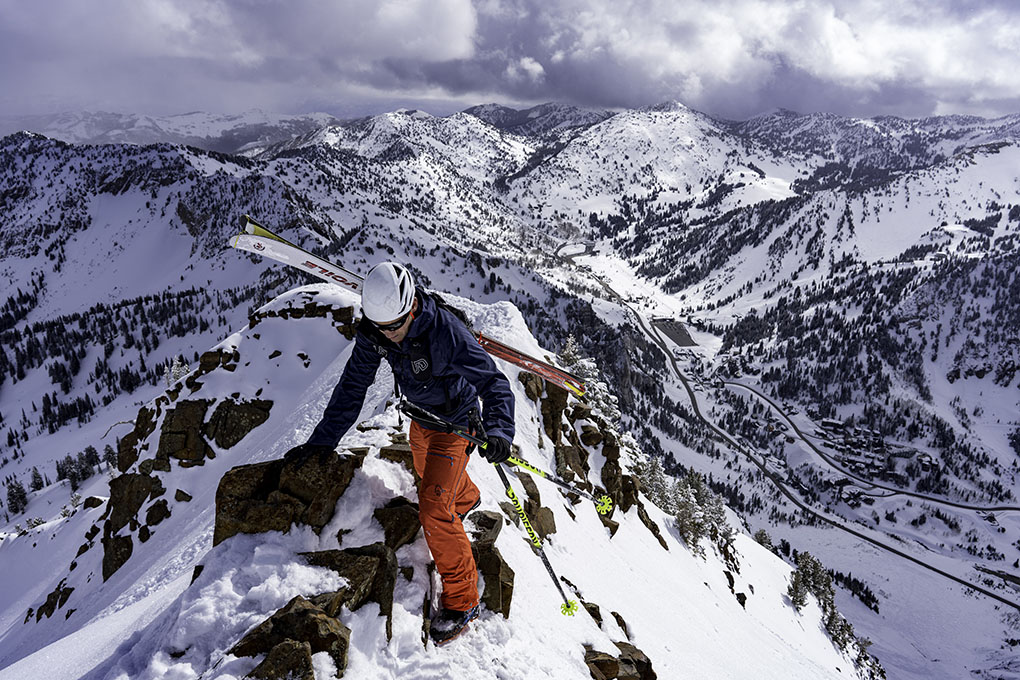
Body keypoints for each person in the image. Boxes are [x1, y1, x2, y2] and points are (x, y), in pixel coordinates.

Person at [283, 262, 515, 646]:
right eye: (382, 328)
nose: (389, 335)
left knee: (433, 512)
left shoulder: (445, 333)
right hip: (422, 422)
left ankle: (463, 602)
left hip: (455, 425)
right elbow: (352, 388)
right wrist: (322, 441)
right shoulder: (376, 331)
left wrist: (500, 430)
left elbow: (493, 383)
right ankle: (466, 497)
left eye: (396, 326)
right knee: (432, 484)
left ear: (411, 308)